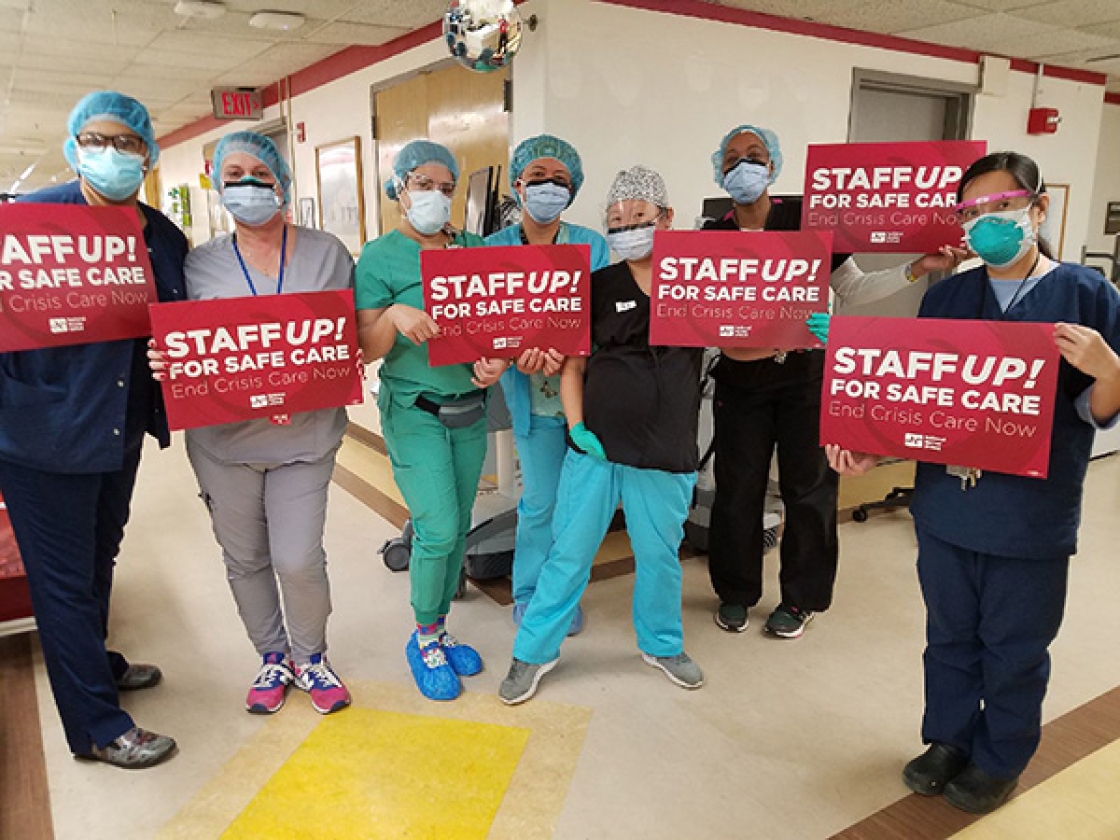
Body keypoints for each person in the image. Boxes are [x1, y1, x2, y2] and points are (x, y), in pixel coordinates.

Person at [827, 150, 1120, 815]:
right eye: (974, 211)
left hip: (1029, 512)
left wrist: (1108, 368)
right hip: (946, 504)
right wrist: (874, 450)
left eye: (1004, 206)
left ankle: (1000, 755)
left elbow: (1100, 411)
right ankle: (948, 739)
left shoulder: (1086, 295)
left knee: (1014, 643)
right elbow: (922, 400)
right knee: (949, 632)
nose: (989, 222)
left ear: (1038, 209)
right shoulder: (951, 294)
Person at [705, 124, 965, 639]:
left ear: (773, 165)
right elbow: (709, 321)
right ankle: (735, 591)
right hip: (741, 380)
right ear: (719, 169)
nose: (742, 167)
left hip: (808, 378)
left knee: (812, 489)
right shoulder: (713, 236)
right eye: (731, 159)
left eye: (754, 156)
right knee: (737, 490)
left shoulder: (808, 222)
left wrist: (916, 268)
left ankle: (802, 598)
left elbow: (850, 289)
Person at [0, 91, 186, 768]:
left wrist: (178, 359)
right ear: (74, 144)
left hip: (119, 426)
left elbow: (177, 324)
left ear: (149, 153)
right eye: (98, 140)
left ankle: (92, 666)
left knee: (100, 558)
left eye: (127, 143)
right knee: (62, 580)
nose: (112, 154)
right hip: (40, 433)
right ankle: (98, 726)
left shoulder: (161, 235)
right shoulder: (27, 222)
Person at [155, 131, 354, 716]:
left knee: (298, 557)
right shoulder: (197, 265)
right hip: (223, 445)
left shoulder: (328, 253)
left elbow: (346, 339)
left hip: (306, 438)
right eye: (232, 175)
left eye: (259, 174)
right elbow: (187, 347)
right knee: (243, 557)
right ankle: (272, 654)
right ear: (217, 187)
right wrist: (166, 359)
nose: (246, 185)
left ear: (282, 182)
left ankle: (311, 656)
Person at [499, 165, 704, 705]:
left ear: (667, 219)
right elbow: (571, 367)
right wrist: (578, 428)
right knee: (569, 551)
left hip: (667, 452)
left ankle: (662, 644)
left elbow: (739, 340)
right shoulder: (596, 287)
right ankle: (533, 651)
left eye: (638, 216)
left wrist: (803, 329)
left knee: (660, 555)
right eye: (616, 221)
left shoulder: (698, 283)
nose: (626, 226)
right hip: (597, 448)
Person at [355, 140, 507, 701]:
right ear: (400, 188)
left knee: (458, 524)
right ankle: (422, 638)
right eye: (424, 184)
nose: (436, 197)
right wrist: (394, 315)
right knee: (439, 527)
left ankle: (439, 629)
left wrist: (497, 359)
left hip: (469, 409)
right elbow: (366, 348)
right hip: (414, 410)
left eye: (447, 188)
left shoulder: (472, 248)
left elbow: (495, 324)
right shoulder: (379, 258)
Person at [485, 134, 610, 634]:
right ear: (518, 184)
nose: (548, 188)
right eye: (537, 179)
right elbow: (484, 318)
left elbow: (599, 318)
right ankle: (531, 591)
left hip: (582, 395)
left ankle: (564, 592)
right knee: (540, 501)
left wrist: (566, 350)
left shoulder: (591, 245)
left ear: (574, 188)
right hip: (531, 401)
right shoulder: (492, 249)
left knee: (580, 507)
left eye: (560, 180)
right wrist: (517, 353)